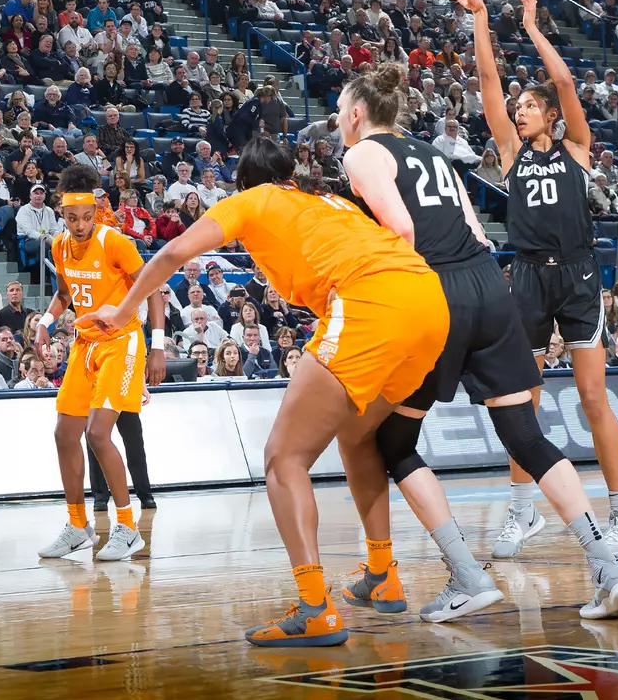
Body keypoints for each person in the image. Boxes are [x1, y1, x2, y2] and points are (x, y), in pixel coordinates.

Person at [86, 136, 452, 646]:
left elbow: (172, 252)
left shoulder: (253, 200)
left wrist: (122, 312)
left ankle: (314, 609)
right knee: (357, 437)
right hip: (430, 302)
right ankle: (382, 572)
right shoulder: (328, 200)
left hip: (370, 302)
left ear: (244, 182)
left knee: (283, 460)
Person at [334, 64, 618, 627]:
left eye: (339, 111)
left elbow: (401, 231)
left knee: (393, 441)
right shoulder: (427, 149)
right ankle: (609, 565)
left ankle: (467, 577)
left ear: (356, 114)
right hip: (489, 283)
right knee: (525, 434)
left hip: (438, 290)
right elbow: (475, 229)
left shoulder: (360, 154)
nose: (337, 121)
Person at [448, 0, 618, 558]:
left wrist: (531, 28)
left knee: (592, 398)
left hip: (579, 275)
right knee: (520, 399)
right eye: (518, 107)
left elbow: (562, 79)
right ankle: (522, 512)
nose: (519, 111)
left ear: (551, 116)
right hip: (527, 275)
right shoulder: (509, 153)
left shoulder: (576, 147)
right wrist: (481, 17)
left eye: (528, 107)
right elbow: (486, 81)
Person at [33, 163, 167, 566]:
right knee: (63, 433)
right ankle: (78, 527)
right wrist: (44, 322)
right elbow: (64, 293)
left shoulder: (114, 242)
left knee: (98, 433)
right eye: (72, 218)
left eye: (87, 217)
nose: (79, 225)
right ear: (62, 213)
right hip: (84, 344)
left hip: (122, 342)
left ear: (96, 211)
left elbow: (154, 291)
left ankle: (127, 529)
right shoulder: (59, 245)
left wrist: (157, 348)